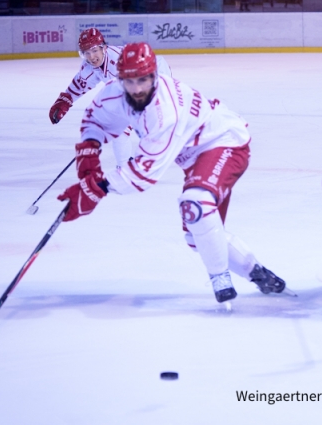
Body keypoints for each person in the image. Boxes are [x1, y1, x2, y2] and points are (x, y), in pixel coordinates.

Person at [56, 42, 291, 306]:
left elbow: (142, 175)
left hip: (223, 141)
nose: (136, 88)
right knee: (197, 235)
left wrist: (93, 190)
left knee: (195, 205)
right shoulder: (115, 92)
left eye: (143, 80)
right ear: (119, 79)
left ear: (154, 76)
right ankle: (259, 274)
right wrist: (89, 151)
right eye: (129, 81)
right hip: (193, 157)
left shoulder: (165, 111)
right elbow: (95, 119)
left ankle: (220, 278)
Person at [49, 28, 172, 168]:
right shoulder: (88, 67)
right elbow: (79, 85)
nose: (91, 56)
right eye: (86, 52)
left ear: (104, 48)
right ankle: (125, 167)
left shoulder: (119, 63)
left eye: (95, 50)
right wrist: (64, 102)